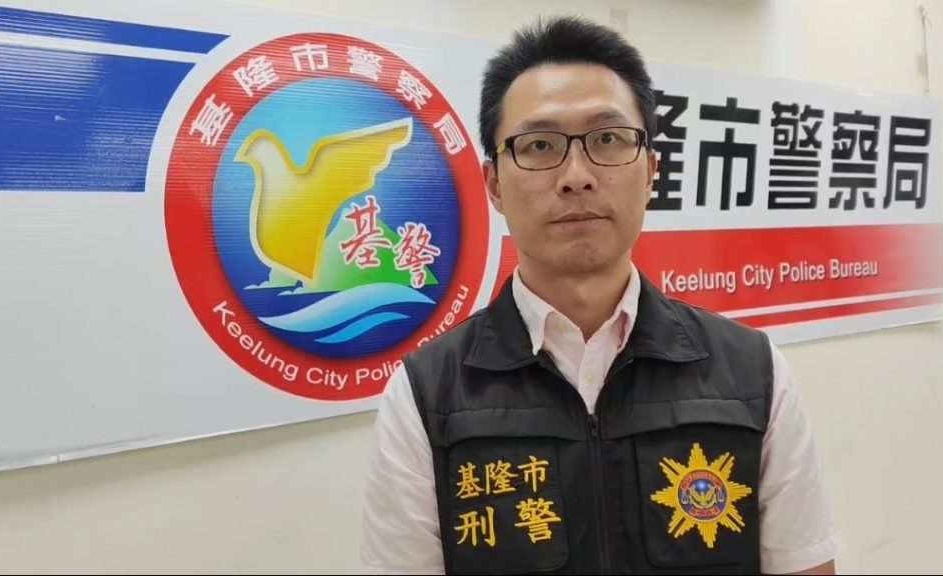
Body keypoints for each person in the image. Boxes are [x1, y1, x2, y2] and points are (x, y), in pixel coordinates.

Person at [359, 15, 844, 575]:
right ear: (494, 185)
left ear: (651, 171)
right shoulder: (425, 394)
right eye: (539, 145)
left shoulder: (754, 371)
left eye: (607, 139)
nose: (576, 175)